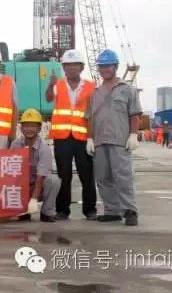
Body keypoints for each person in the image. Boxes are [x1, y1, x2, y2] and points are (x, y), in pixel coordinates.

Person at [85, 49, 142, 226]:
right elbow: (89, 117)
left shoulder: (128, 90)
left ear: (115, 67)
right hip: (100, 141)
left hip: (119, 141)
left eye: (107, 66)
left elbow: (134, 114)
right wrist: (89, 138)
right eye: (101, 67)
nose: (104, 70)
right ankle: (112, 210)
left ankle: (130, 210)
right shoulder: (95, 93)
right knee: (103, 177)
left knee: (123, 176)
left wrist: (133, 134)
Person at [45, 49, 97, 221]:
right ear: (63, 68)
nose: (71, 68)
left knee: (86, 175)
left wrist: (92, 137)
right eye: (68, 65)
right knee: (63, 175)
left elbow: (94, 113)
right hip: (62, 137)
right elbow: (48, 98)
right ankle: (62, 210)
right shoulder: (58, 85)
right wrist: (50, 85)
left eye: (75, 65)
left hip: (83, 138)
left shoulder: (91, 86)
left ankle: (90, 210)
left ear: (81, 67)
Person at [10, 108, 62, 223]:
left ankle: (47, 212)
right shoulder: (15, 145)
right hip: (21, 187)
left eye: (33, 126)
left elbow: (41, 176)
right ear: (21, 128)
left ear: (39, 128)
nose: (29, 129)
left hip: (38, 187)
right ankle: (23, 210)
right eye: (26, 126)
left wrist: (34, 199)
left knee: (53, 181)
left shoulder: (44, 149)